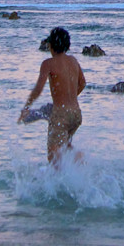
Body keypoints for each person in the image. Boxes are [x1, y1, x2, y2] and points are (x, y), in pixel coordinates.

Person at [20, 27, 85, 166]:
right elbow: (83, 83)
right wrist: (70, 98)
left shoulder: (48, 63)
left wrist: (26, 107)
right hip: (76, 114)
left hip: (60, 114)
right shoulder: (73, 61)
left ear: (52, 45)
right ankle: (80, 168)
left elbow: (38, 89)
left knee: (53, 156)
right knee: (66, 146)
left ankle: (62, 182)